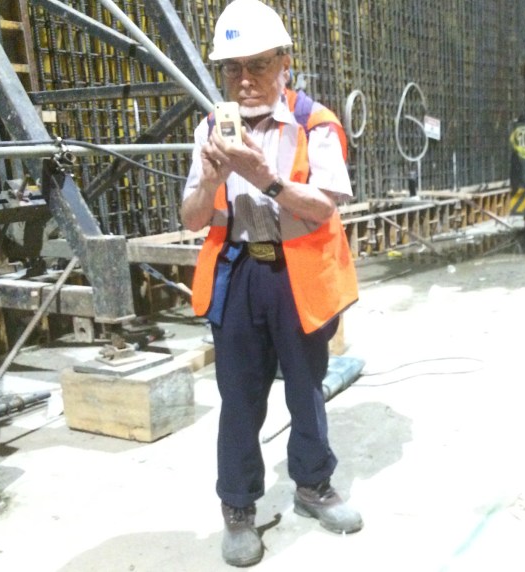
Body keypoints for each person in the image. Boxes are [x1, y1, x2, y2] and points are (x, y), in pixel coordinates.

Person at [180, 0, 362, 566]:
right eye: (232, 67)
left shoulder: (315, 123)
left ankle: (312, 484)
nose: (245, 79)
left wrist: (264, 176)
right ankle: (238, 507)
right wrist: (209, 180)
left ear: (285, 62)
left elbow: (323, 207)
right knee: (239, 397)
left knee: (305, 387)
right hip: (239, 271)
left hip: (295, 273)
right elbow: (191, 218)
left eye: (258, 64)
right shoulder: (211, 128)